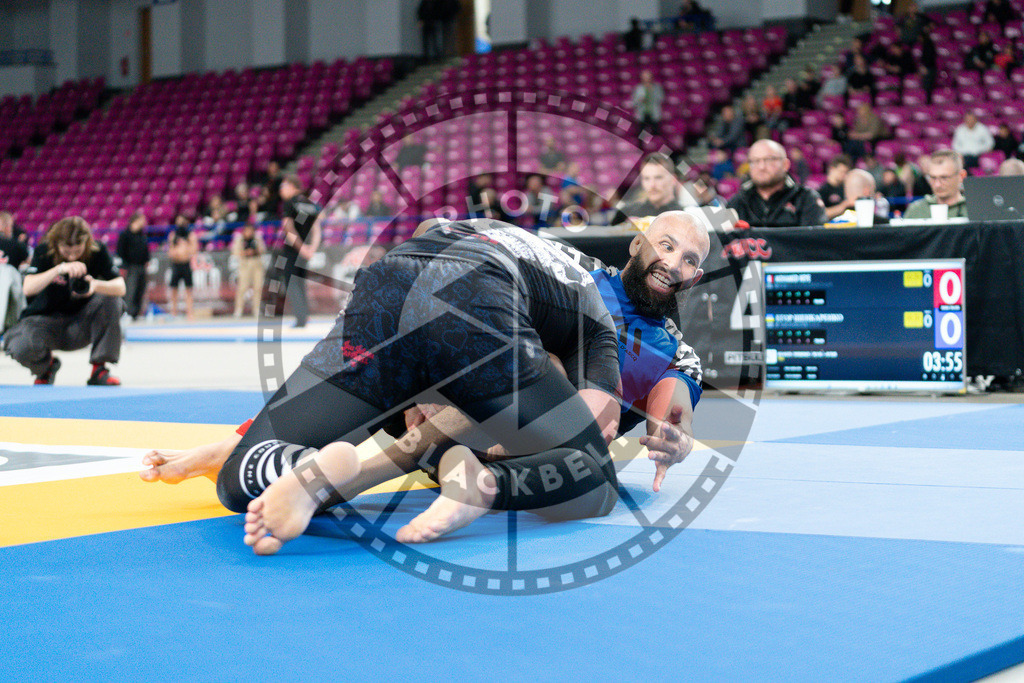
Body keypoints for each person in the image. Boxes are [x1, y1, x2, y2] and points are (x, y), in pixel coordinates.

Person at [141, 213, 712, 549]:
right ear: (636, 244)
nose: (675, 263)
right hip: (476, 333)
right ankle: (477, 486)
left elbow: (674, 409)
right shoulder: (590, 293)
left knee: (239, 485)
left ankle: (282, 463)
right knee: (593, 482)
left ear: (696, 277)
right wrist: (505, 445)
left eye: (690, 260)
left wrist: (676, 435)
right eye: (667, 245)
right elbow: (587, 430)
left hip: (396, 276)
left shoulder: (674, 349)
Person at [3, 216, 125, 385]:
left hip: (81, 324)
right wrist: (58, 269)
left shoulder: (97, 251)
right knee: (17, 344)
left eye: (78, 250)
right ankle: (46, 368)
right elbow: (28, 288)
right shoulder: (44, 251)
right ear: (56, 243)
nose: (72, 256)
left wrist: (95, 285)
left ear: (87, 242)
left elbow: (121, 287)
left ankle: (99, 369)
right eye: (67, 252)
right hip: (46, 322)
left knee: (112, 299)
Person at [727, 139, 828, 227]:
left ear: (785, 164)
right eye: (755, 161)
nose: (761, 167)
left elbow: (815, 243)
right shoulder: (738, 202)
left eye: (768, 160)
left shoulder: (806, 198)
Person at [277, 175, 322, 328]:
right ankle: (305, 315)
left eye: (282, 187)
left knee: (292, 282)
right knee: (301, 282)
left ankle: (300, 319)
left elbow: (288, 227)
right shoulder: (310, 204)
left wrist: (301, 248)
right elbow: (316, 230)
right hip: (306, 251)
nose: (281, 191)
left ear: (291, 185)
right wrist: (311, 249)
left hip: (293, 250)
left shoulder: (290, 203)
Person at [613, 153, 684, 223]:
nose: (652, 185)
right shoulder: (626, 214)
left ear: (673, 180)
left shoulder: (685, 215)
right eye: (646, 178)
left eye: (658, 177)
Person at [903, 149, 969, 219]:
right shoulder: (916, 210)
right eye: (933, 178)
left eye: (944, 178)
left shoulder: (973, 209)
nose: (937, 184)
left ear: (961, 176)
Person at [116, 212, 150, 321]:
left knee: (140, 289)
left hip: (142, 267)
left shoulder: (142, 235)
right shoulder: (125, 235)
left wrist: (146, 260)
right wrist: (127, 263)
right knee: (131, 290)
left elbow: (146, 249)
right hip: (131, 267)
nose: (144, 223)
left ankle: (136, 314)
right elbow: (120, 251)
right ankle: (127, 313)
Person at [231, 221, 266, 318]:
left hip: (256, 264)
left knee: (258, 288)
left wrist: (255, 251)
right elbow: (235, 252)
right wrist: (246, 252)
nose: (249, 233)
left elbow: (263, 250)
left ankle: (256, 309)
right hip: (245, 265)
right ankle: (238, 309)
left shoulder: (257, 238)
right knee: (242, 287)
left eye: (251, 230)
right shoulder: (240, 240)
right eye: (247, 231)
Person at [167, 216, 198, 319]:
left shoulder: (191, 235)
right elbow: (170, 252)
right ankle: (173, 311)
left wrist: (185, 246)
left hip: (186, 264)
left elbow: (194, 250)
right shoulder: (173, 235)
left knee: (188, 289)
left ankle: (190, 312)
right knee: (174, 289)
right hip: (176, 264)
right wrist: (177, 250)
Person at [631, 69, 664, 137]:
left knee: (656, 133)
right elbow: (634, 102)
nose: (646, 79)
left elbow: (661, 98)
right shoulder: (638, 88)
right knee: (641, 134)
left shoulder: (657, 87)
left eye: (648, 77)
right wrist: (639, 100)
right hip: (642, 113)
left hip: (654, 113)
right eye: (644, 77)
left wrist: (654, 97)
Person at [820, 154, 854, 220]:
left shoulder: (845, 189)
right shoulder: (822, 191)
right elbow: (821, 213)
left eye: (846, 172)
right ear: (832, 169)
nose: (843, 175)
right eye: (841, 171)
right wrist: (843, 205)